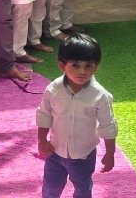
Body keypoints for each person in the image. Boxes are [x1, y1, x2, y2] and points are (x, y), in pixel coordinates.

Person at [36, 34, 117, 198]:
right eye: (75, 65)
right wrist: (42, 141)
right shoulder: (53, 90)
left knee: (83, 188)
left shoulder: (100, 95)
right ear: (62, 66)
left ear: (96, 67)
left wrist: (110, 153)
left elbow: (108, 125)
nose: (82, 71)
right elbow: (44, 115)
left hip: (83, 155)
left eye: (88, 66)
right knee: (50, 187)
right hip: (55, 152)